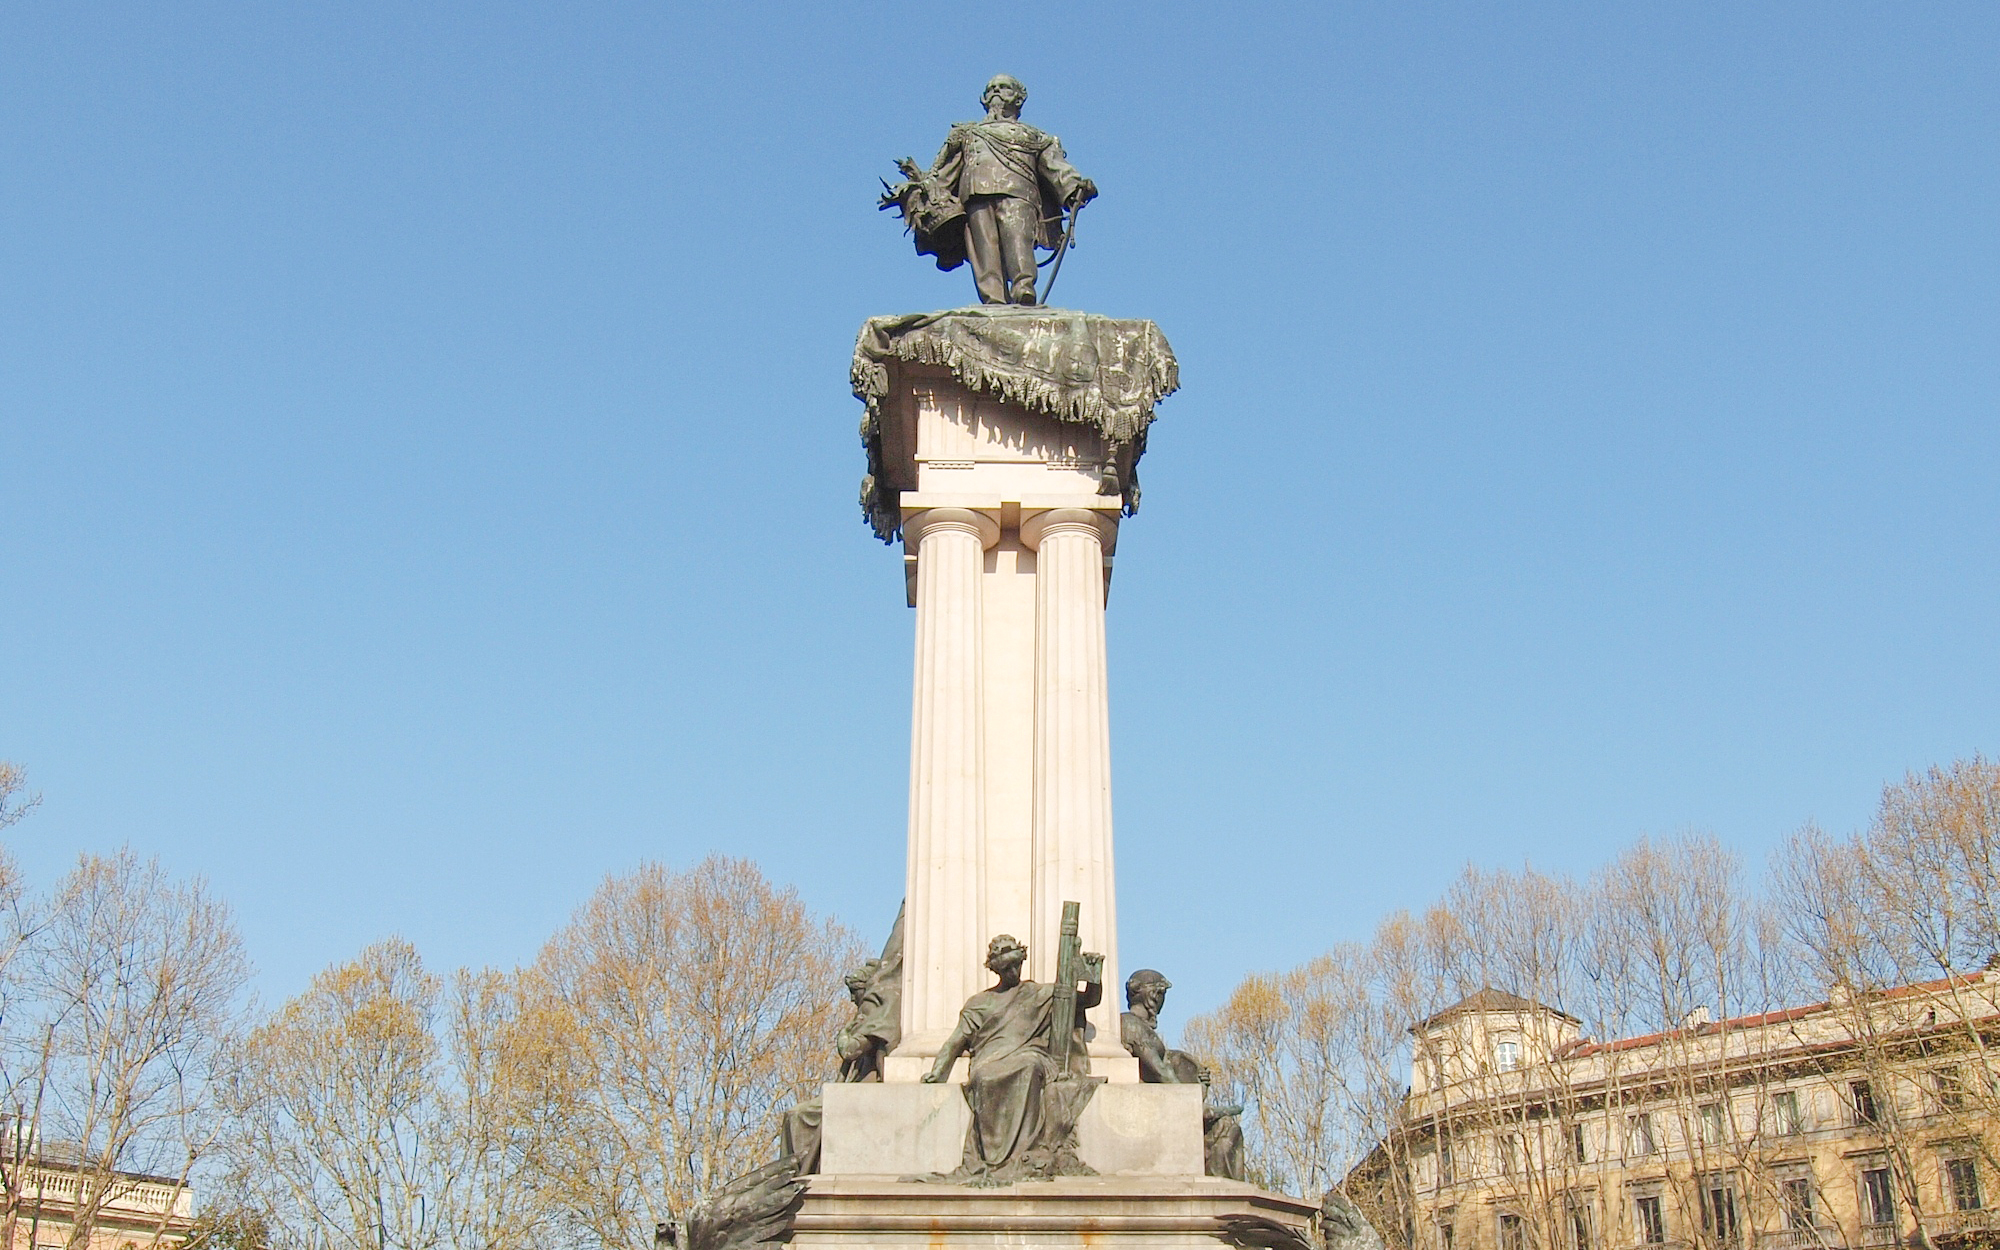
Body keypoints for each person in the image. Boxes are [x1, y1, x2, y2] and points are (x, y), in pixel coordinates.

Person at [883, 75, 1098, 305]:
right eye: (991, 89)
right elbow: (945, 173)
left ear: (1019, 98)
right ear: (984, 99)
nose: (996, 91)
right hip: (975, 195)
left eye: (1004, 87)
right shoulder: (968, 133)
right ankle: (993, 298)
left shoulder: (1035, 136)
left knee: (1018, 240)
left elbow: (1055, 167)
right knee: (984, 248)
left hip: (1018, 193)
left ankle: (1023, 288)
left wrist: (1074, 187)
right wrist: (926, 191)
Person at [923, 933, 1103, 1182]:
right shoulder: (979, 1003)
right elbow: (956, 1041)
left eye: (1016, 964)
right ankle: (996, 1157)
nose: (1013, 971)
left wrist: (1093, 978)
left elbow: (1086, 1001)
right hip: (989, 1062)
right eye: (1006, 967)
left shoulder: (1038, 993)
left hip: (1029, 1057)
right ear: (996, 969)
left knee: (1030, 1066)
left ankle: (1024, 1153)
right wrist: (937, 1072)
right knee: (985, 1076)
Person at [1119, 968, 1248, 1180]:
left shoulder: (1140, 1027)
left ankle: (1221, 1187)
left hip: (1161, 1105)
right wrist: (1195, 1101)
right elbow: (1162, 1074)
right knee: (1225, 1128)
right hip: (1151, 1110)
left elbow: (1168, 1069)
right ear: (1154, 996)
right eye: (1162, 994)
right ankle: (1219, 1189)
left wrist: (1198, 1085)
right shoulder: (1131, 1024)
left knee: (1227, 1128)